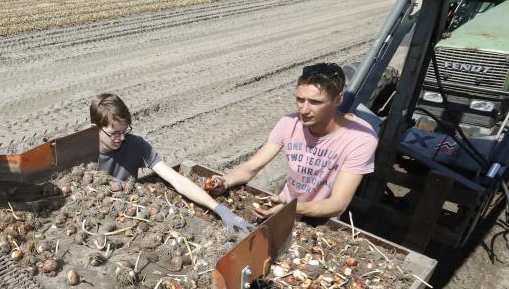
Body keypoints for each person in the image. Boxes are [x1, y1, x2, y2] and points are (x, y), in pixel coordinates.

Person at [208, 63, 378, 220]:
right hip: (283, 206)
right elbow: (251, 167)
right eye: (300, 99)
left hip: (321, 219)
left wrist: (294, 208)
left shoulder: (360, 138)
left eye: (315, 102)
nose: (304, 110)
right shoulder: (289, 123)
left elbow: (338, 203)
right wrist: (226, 180)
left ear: (338, 100)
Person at [90, 93, 252, 231]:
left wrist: (220, 209)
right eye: (115, 133)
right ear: (94, 128)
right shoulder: (81, 157)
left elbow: (177, 180)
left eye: (125, 131)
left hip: (125, 215)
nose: (122, 138)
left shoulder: (134, 145)